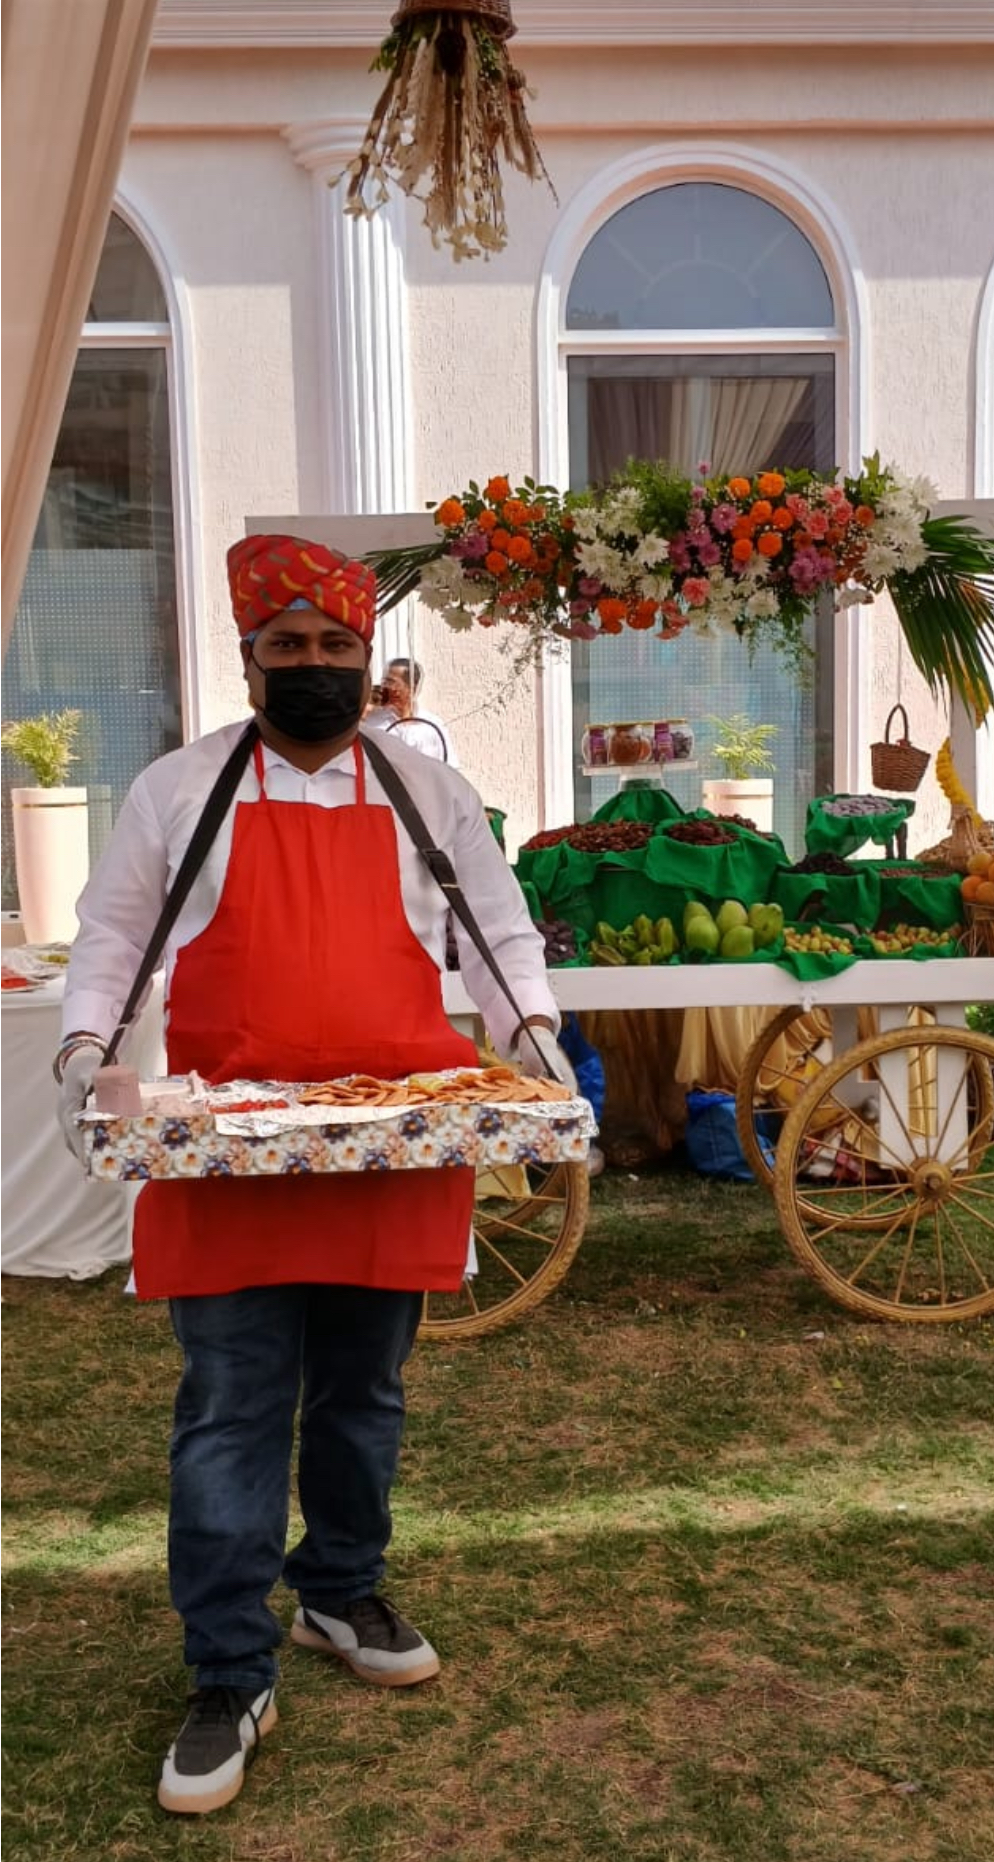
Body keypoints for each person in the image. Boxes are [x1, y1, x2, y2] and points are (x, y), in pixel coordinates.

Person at [53, 533, 573, 1817]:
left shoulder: (423, 792)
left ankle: (339, 1587)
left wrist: (536, 1040)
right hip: (226, 1148)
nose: (314, 668)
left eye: (335, 648)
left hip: (392, 1135)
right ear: (248, 663)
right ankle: (229, 1668)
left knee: (365, 1392)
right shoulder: (180, 790)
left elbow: (492, 922)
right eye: (288, 649)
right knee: (230, 1407)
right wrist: (85, 1046)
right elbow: (119, 929)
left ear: (367, 662)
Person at [369, 657, 459, 767]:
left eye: (391, 682)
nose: (385, 687)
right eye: (384, 681)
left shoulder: (432, 725)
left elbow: (449, 767)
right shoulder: (372, 721)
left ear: (412, 687)